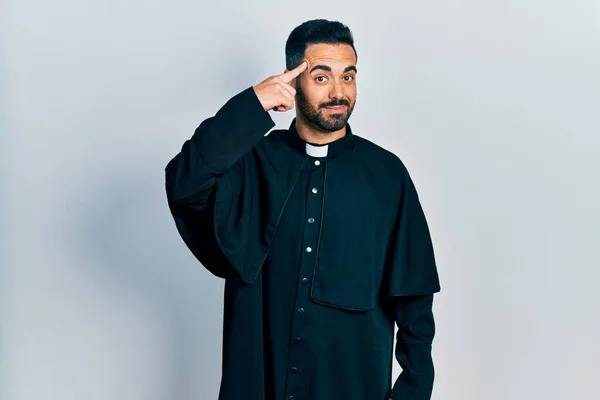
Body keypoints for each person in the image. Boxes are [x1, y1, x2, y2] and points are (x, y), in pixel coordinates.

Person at [165, 19, 441, 400]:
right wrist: (251, 106)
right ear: (293, 82)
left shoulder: (387, 174)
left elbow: (414, 297)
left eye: (348, 77)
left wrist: (412, 391)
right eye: (322, 78)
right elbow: (185, 183)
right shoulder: (251, 160)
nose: (339, 92)